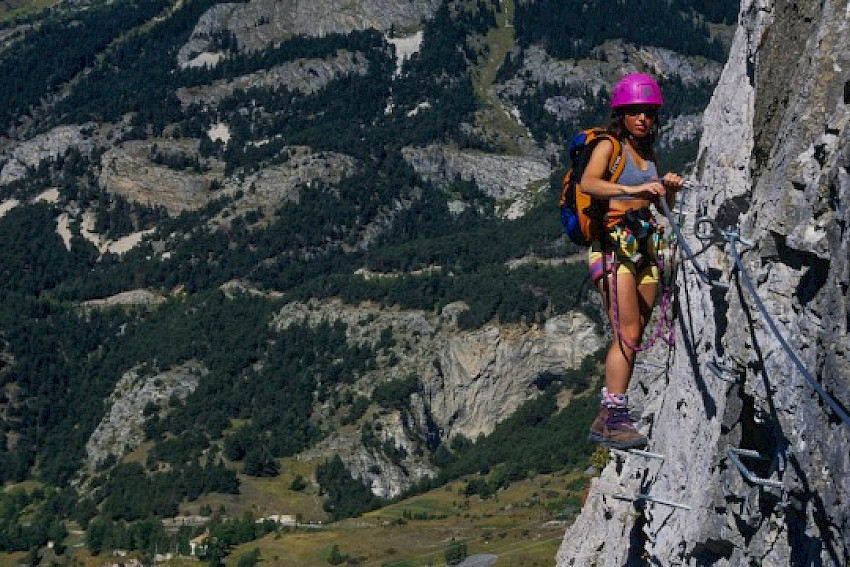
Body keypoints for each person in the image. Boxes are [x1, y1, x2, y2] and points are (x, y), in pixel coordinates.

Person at [581, 73, 683, 449]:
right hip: (613, 247)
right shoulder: (609, 146)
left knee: (637, 331)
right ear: (621, 114)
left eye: (649, 113)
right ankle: (614, 415)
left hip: (644, 246)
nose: (643, 118)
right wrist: (632, 188)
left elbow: (659, 206)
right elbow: (589, 183)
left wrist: (667, 192)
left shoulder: (648, 154)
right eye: (635, 111)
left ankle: (608, 418)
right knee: (626, 332)